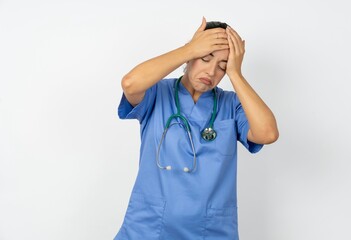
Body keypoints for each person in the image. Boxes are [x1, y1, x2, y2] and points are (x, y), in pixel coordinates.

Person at [114, 17, 279, 240]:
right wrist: (189, 48)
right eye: (205, 58)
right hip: (148, 228)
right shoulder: (157, 93)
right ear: (192, 56)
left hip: (210, 231)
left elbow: (267, 133)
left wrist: (236, 74)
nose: (211, 72)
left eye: (222, 66)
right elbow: (130, 83)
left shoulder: (231, 105)